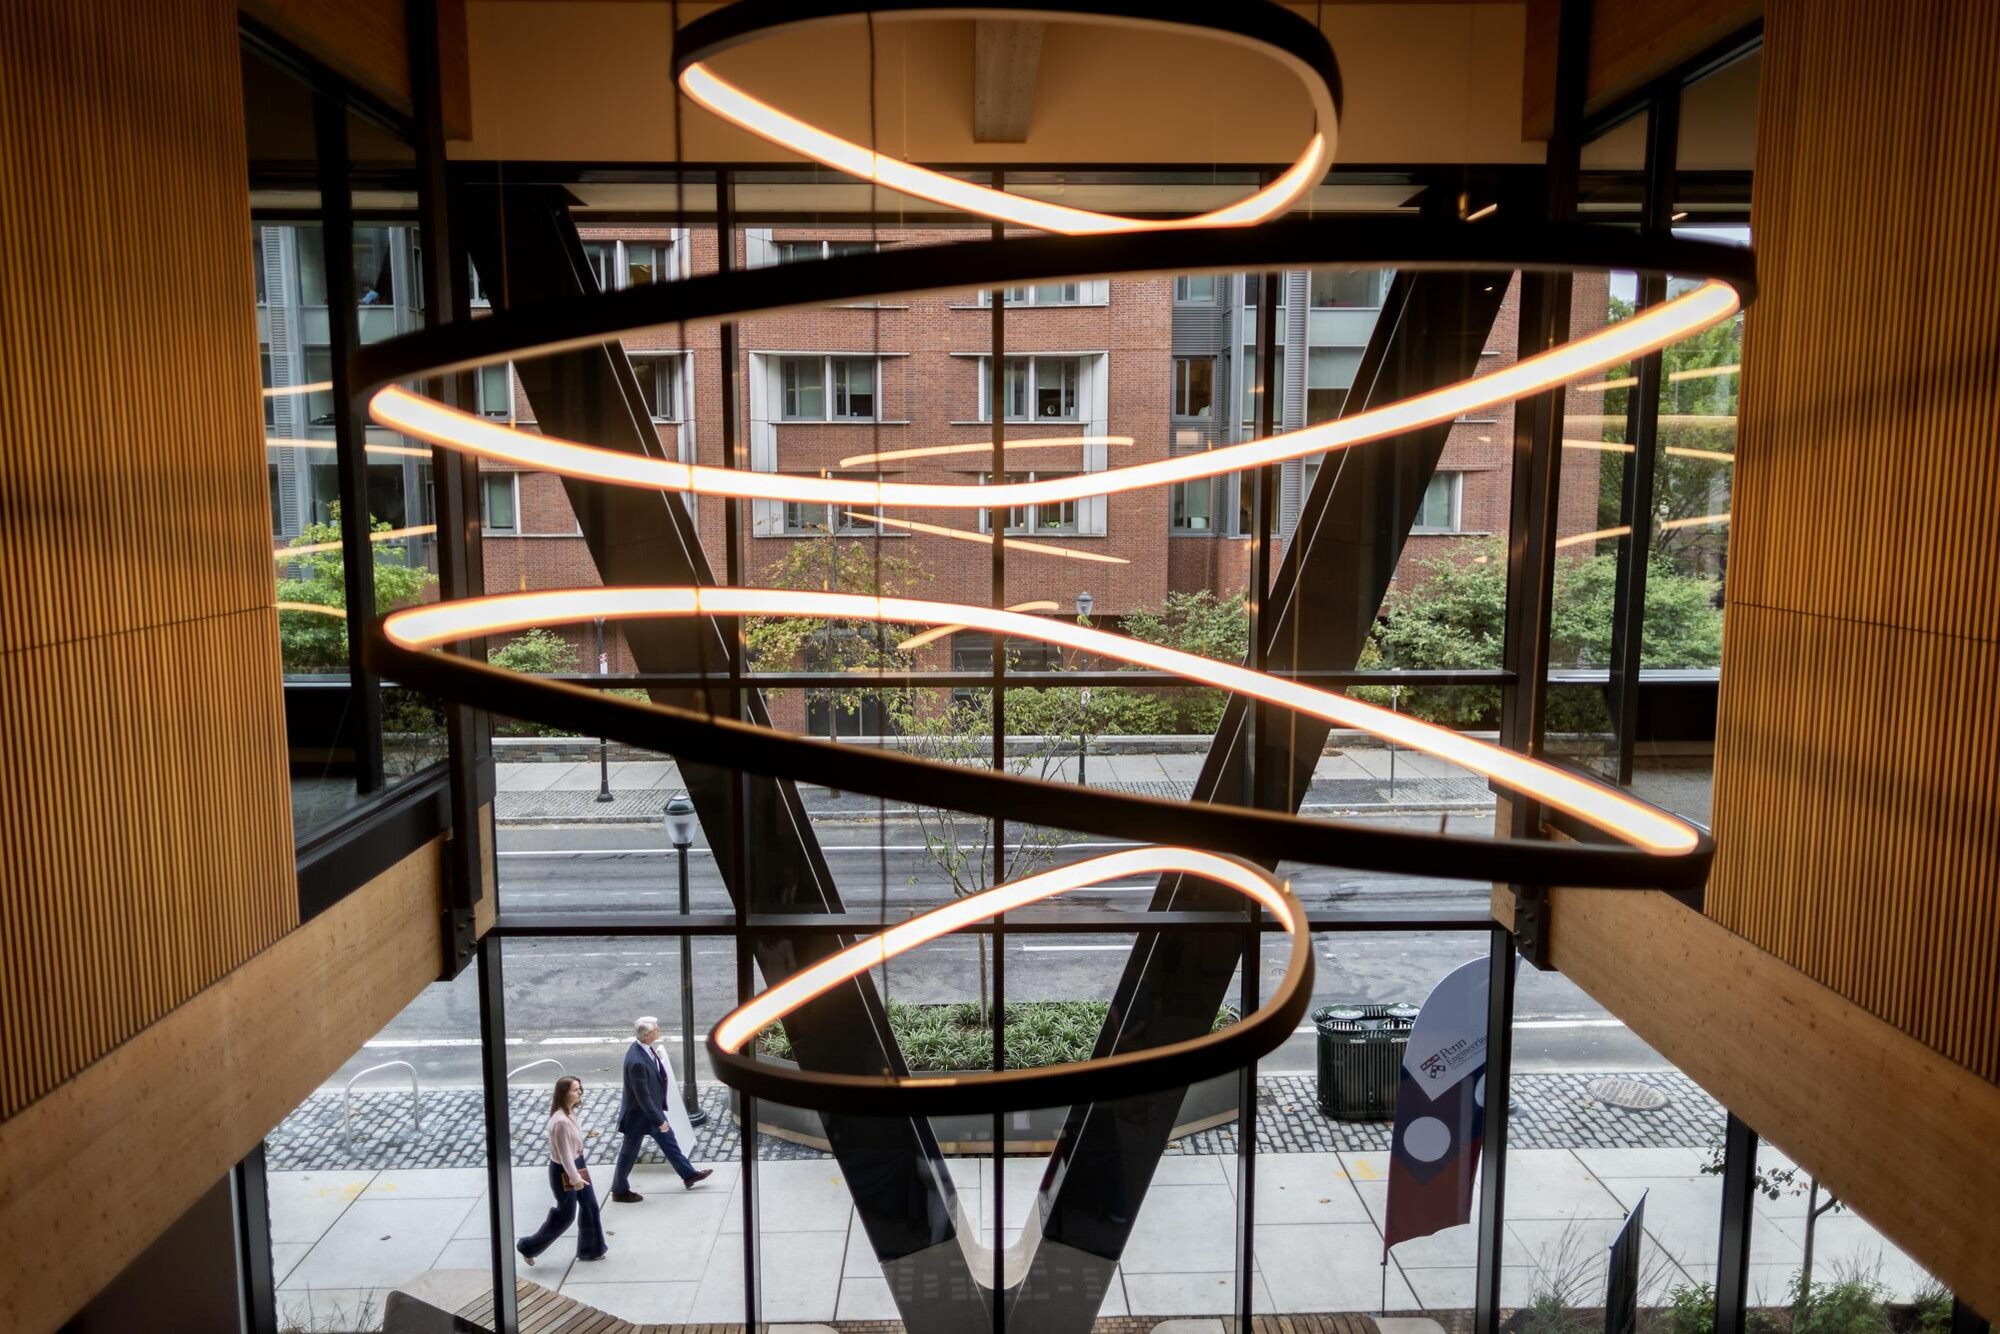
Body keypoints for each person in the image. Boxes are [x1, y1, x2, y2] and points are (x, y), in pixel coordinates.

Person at [609, 1015, 713, 1202]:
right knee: (629, 1153)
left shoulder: (643, 1049)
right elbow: (643, 1098)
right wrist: (660, 1120)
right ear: (647, 1035)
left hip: (649, 1113)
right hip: (640, 1116)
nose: (659, 1031)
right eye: (656, 1030)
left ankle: (689, 1175)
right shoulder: (637, 1063)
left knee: (669, 1142)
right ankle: (619, 1190)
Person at [516, 1076, 608, 1266]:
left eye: (579, 1088)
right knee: (565, 1216)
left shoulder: (570, 1114)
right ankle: (528, 1246)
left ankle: (591, 1250)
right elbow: (565, 1156)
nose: (580, 1092)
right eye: (575, 1089)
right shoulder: (560, 1123)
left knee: (590, 1206)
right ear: (564, 1094)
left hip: (577, 1164)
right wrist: (575, 1179)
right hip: (565, 1171)